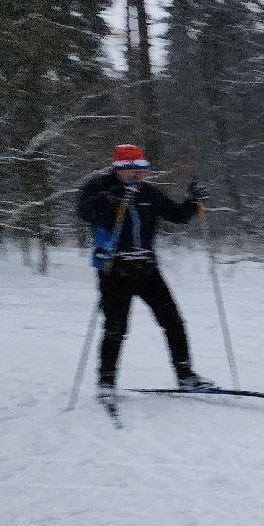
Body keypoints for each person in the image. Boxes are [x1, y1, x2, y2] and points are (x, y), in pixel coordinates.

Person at [75, 143, 214, 396]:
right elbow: (83, 211)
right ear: (117, 168)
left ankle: (186, 376)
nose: (136, 174)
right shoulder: (101, 188)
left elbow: (176, 214)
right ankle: (106, 382)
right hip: (115, 269)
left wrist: (194, 202)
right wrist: (109, 200)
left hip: (147, 268)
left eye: (140, 168)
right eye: (129, 168)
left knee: (172, 321)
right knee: (116, 327)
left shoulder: (148, 193)